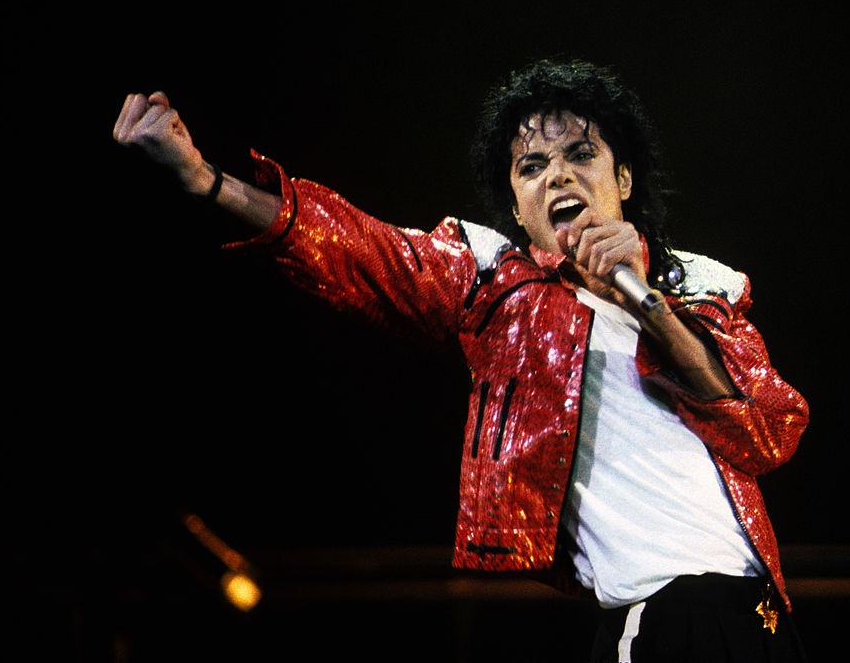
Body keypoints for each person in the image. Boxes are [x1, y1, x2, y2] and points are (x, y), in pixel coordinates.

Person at [113, 59, 809, 662]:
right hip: (661, 618)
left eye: (580, 155)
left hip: (766, 618)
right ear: (516, 203)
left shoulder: (700, 289)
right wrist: (208, 180)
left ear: (622, 177)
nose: (557, 174)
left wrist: (647, 302)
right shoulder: (497, 288)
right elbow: (357, 248)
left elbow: (769, 432)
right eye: (532, 166)